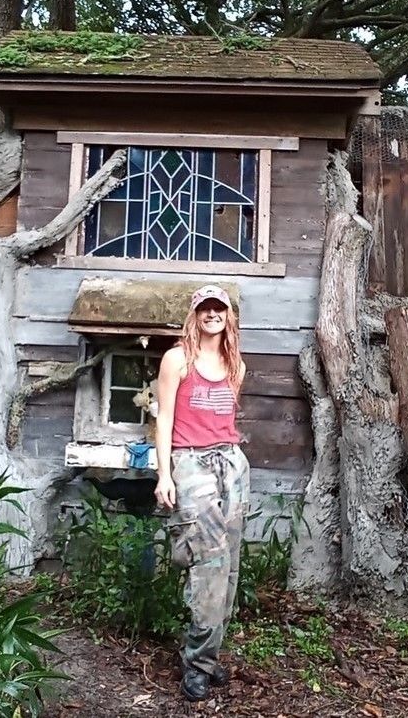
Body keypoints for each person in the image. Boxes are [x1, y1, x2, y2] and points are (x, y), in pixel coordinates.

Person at [154, 284, 250, 702]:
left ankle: (207, 657)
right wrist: (164, 475)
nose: (212, 314)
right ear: (195, 315)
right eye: (205, 308)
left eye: (219, 308)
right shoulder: (177, 359)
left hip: (231, 462)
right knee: (208, 562)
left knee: (230, 566)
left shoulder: (235, 364)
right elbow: (163, 420)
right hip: (191, 463)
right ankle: (196, 665)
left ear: (228, 316)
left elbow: (225, 420)